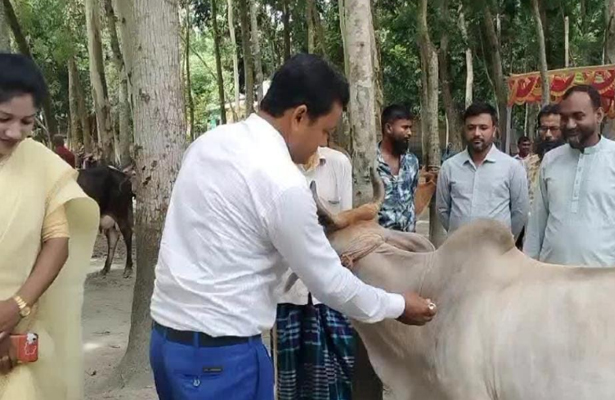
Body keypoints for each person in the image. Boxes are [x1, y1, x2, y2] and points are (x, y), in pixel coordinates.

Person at [149, 54, 436, 400]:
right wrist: (399, 305)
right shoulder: (283, 182)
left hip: (166, 342)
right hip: (222, 357)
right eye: (325, 131)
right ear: (299, 116)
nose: (323, 142)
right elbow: (331, 284)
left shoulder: (207, 144)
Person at [0, 53, 99, 399]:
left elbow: (57, 239)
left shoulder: (40, 162)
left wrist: (17, 308)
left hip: (16, 342)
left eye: (26, 122)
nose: (15, 132)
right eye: (3, 118)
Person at [524, 85, 615, 266]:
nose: (570, 124)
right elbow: (536, 225)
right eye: (565, 117)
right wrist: (528, 268)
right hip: (553, 275)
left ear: (598, 115)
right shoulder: (551, 160)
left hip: (604, 278)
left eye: (578, 116)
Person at [275, 142, 356, 400]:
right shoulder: (272, 166)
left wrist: (347, 257)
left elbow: (345, 227)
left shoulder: (338, 163)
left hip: (330, 289)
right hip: (287, 294)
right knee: (291, 380)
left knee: (340, 373)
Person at [436, 102, 528, 237]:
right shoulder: (449, 167)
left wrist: (504, 242)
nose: (477, 133)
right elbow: (442, 210)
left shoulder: (512, 167)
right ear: (464, 130)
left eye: (483, 128)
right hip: (459, 247)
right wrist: (458, 235)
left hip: (496, 248)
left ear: (494, 130)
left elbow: (520, 212)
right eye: (471, 128)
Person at [376, 104, 421, 232]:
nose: (409, 133)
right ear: (389, 128)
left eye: (410, 128)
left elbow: (412, 194)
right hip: (379, 239)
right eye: (405, 127)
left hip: (408, 239)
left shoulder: (412, 162)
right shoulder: (370, 162)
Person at [524, 104, 564, 208]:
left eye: (554, 129)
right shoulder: (528, 164)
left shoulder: (574, 163)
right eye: (543, 129)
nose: (548, 134)